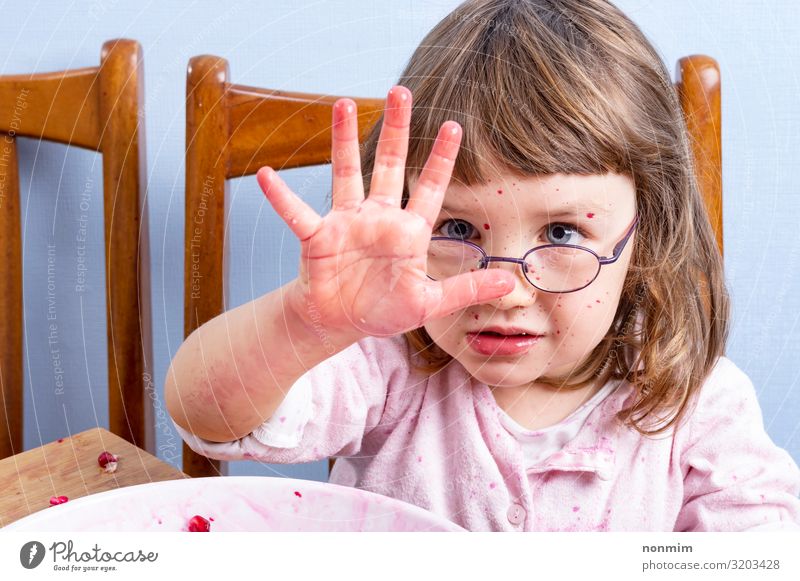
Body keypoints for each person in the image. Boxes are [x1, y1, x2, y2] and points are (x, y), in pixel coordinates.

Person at [166, 0, 800, 531]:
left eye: (561, 230)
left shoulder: (695, 403)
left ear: (647, 231)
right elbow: (204, 415)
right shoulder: (388, 365)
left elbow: (767, 549)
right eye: (457, 228)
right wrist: (308, 323)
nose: (506, 291)